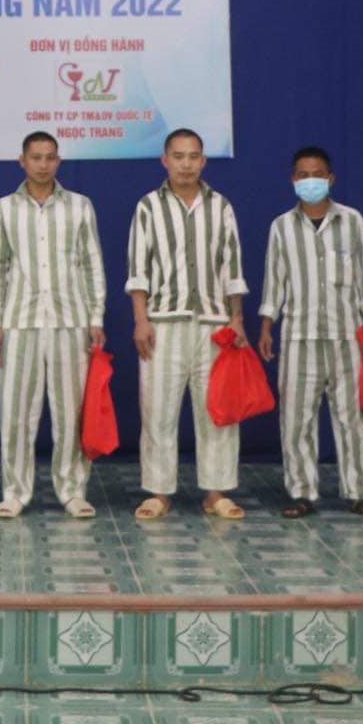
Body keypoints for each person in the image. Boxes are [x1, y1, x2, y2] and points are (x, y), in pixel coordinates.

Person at [259, 145, 363, 521]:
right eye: (303, 175)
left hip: (347, 336)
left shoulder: (352, 221)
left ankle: (360, 493)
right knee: (296, 420)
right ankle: (302, 492)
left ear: (331, 178)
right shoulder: (282, 227)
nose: (310, 181)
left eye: (317, 174)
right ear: (292, 180)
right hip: (298, 337)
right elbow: (274, 281)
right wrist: (267, 325)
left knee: (354, 420)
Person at [126, 129, 250, 521]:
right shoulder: (148, 206)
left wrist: (237, 319)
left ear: (203, 161)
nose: (186, 164)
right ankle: (158, 492)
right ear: (165, 161)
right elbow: (138, 269)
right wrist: (141, 320)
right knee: (158, 410)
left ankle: (216, 492)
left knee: (216, 410)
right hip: (162, 324)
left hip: (214, 324)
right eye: (178, 157)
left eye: (193, 156)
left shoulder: (221, 206)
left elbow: (232, 267)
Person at [0, 131, 105, 520]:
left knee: (71, 413)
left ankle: (72, 490)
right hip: (20, 322)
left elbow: (92, 264)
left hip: (71, 321)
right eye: (35, 157)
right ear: (22, 161)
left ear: (58, 161)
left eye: (50, 157)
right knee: (16, 413)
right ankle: (15, 491)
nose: (43, 164)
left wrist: (95, 318)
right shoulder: (3, 209)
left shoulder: (80, 206)